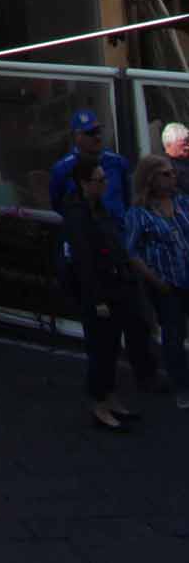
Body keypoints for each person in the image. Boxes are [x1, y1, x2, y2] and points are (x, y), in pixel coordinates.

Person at [62, 154, 158, 429]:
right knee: (101, 349)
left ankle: (110, 398)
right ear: (84, 183)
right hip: (99, 291)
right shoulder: (78, 216)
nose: (104, 185)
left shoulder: (99, 209)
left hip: (116, 285)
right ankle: (99, 404)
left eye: (105, 180)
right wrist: (96, 298)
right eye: (99, 180)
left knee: (113, 345)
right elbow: (84, 261)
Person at [125, 153, 189, 409]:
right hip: (168, 282)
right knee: (174, 335)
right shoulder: (139, 213)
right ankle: (182, 387)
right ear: (150, 179)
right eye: (166, 173)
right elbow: (131, 251)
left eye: (173, 172)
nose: (173, 177)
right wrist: (155, 279)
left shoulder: (182, 202)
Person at [51, 111, 132, 219]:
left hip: (116, 231)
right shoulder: (62, 169)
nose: (97, 137)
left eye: (98, 131)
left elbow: (127, 200)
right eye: (90, 133)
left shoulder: (117, 162)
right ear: (76, 136)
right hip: (82, 231)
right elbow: (57, 206)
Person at [162, 124, 189, 198]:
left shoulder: (185, 160)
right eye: (183, 144)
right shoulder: (164, 166)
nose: (187, 147)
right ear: (169, 145)